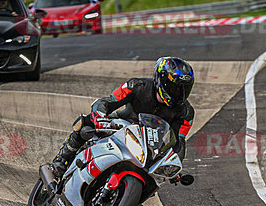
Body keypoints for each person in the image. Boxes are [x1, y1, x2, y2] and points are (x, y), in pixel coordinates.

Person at [51, 56, 195, 178]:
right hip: (121, 126)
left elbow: (179, 142)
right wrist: (100, 116)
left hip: (150, 147)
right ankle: (63, 157)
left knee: (157, 178)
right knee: (86, 123)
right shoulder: (136, 85)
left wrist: (176, 164)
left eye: (184, 89)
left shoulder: (186, 112)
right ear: (161, 80)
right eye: (175, 87)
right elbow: (107, 102)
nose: (179, 93)